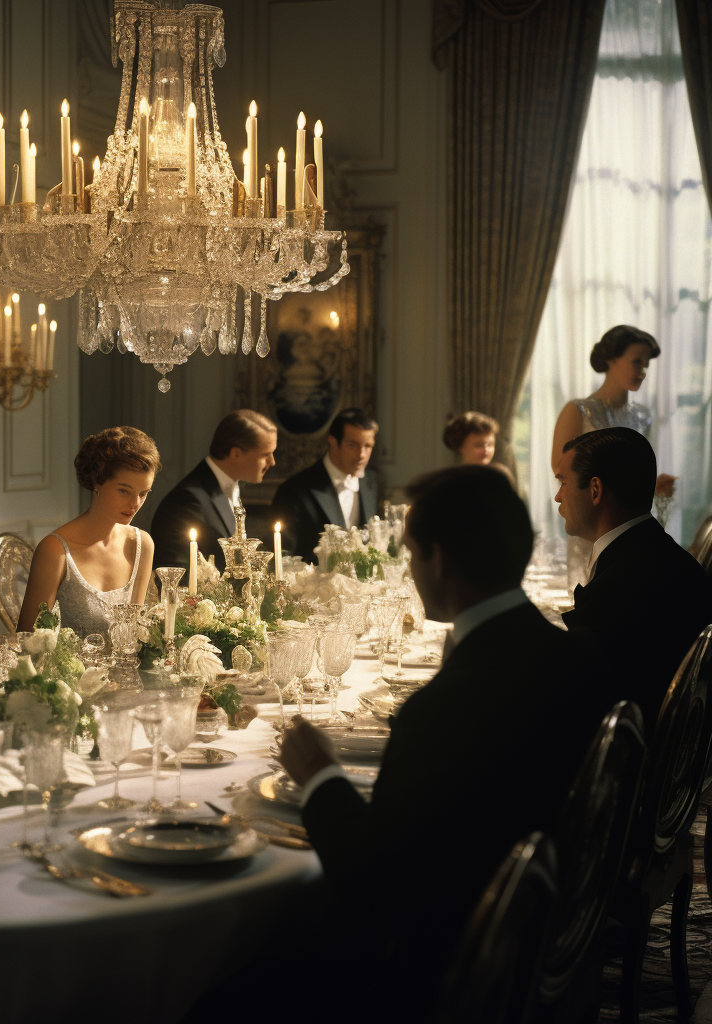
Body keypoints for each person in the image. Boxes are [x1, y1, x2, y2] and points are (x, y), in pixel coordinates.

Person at [277, 466, 610, 1022]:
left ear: (440, 560)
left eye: (410, 555)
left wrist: (319, 775)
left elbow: (370, 885)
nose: (410, 570)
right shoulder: (579, 657)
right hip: (546, 934)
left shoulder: (444, 709)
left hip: (441, 974)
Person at [555, 426, 712, 731]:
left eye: (563, 482)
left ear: (595, 490)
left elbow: (576, 704)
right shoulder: (661, 556)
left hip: (634, 762)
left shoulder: (621, 587)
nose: (559, 496)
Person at [551, 325, 676, 587]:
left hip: (631, 527)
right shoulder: (577, 411)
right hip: (591, 523)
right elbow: (563, 470)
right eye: (636, 361)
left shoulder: (643, 416)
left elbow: (634, 470)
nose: (642, 371)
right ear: (611, 359)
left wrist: (652, 485)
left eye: (647, 364)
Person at [17, 427, 159, 637]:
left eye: (143, 493)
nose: (135, 503)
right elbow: (27, 641)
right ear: (96, 480)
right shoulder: (55, 550)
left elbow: (132, 639)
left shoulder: (141, 545)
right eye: (123, 491)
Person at [150, 409, 276, 571]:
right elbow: (177, 577)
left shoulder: (232, 487)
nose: (272, 462)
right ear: (236, 453)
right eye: (266, 454)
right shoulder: (186, 502)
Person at [269, 407, 378, 564]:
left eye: (367, 446)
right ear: (332, 442)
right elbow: (284, 557)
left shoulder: (370, 483)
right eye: (352, 445)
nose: (362, 454)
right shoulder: (294, 490)